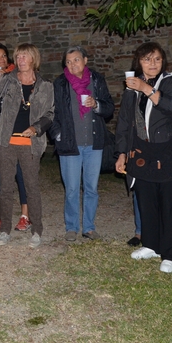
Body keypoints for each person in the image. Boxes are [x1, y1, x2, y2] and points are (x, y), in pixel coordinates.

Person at [115, 42, 172, 273]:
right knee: (146, 204)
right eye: (147, 59)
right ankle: (151, 245)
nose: (152, 64)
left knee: (167, 205)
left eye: (156, 59)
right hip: (141, 154)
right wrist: (122, 153)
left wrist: (147, 89)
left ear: (163, 61)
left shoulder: (171, 82)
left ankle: (171, 254)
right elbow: (124, 123)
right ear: (139, 62)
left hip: (165, 153)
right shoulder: (131, 87)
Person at [0, 43, 53, 248]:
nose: (20, 60)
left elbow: (50, 113)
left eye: (24, 56)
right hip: (6, 142)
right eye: (18, 57)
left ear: (33, 59)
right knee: (5, 188)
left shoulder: (45, 85)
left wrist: (36, 127)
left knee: (32, 187)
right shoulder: (7, 80)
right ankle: (5, 229)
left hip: (30, 144)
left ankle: (37, 230)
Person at [49, 46, 115, 241]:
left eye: (76, 60)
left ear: (85, 60)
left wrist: (97, 105)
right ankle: (71, 227)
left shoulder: (97, 80)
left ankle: (89, 227)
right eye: (68, 62)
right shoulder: (60, 84)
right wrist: (57, 135)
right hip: (70, 144)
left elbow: (109, 107)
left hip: (94, 143)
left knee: (91, 188)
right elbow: (52, 113)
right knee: (71, 189)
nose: (72, 65)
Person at [0, 43, 30, 231]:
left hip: (18, 133)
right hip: (0, 135)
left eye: (4, 55)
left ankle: (25, 215)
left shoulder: (17, 75)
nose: (2, 59)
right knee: (4, 176)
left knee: (21, 175)